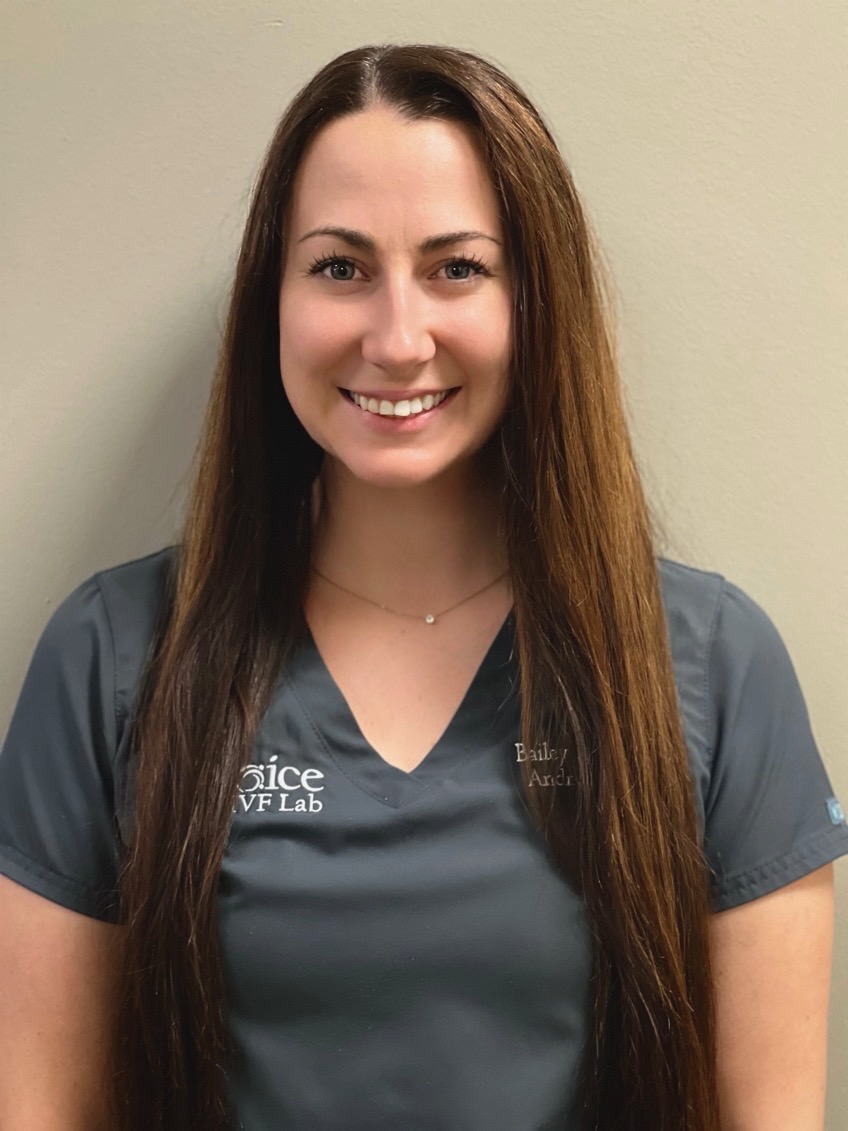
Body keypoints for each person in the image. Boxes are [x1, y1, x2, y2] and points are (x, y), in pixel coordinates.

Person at [0, 43, 845, 1131]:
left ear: (535, 301)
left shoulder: (714, 664)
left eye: (456, 269)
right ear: (271, 300)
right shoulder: (112, 657)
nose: (397, 340)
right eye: (339, 268)